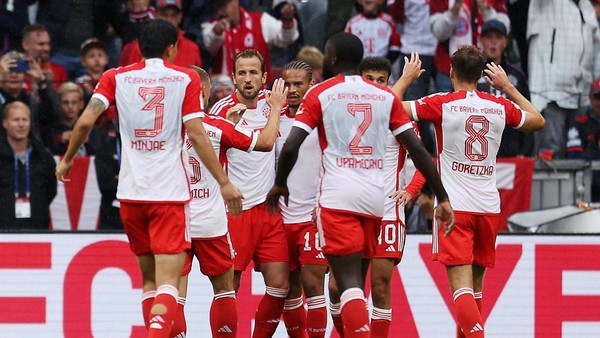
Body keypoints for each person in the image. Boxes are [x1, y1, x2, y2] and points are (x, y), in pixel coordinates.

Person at [55, 19, 243, 338]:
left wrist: (69, 158)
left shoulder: (115, 77)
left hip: (130, 194)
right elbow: (196, 134)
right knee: (169, 284)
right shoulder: (185, 78)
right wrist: (224, 182)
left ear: (139, 48)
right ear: (172, 49)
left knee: (150, 282)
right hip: (168, 195)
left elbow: (86, 121)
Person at [266, 32, 454, 338]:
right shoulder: (386, 97)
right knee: (355, 283)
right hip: (375, 200)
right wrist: (442, 196)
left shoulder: (322, 93)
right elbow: (419, 151)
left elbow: (290, 146)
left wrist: (278, 184)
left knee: (348, 286)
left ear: (333, 59)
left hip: (338, 197)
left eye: (327, 55)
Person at [392, 45, 545, 337]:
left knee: (461, 290)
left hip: (454, 206)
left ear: (450, 72)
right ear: (481, 75)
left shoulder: (441, 103)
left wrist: (406, 79)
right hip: (488, 206)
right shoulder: (499, 105)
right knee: (475, 291)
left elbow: (392, 107)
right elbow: (537, 120)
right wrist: (507, 87)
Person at [173, 66, 285, 337]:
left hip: (177, 221)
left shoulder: (166, 129)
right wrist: (277, 109)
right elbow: (267, 141)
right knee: (224, 290)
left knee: (174, 293)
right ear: (203, 91)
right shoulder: (215, 125)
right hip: (211, 220)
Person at [336, 55, 427, 338]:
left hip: (388, 212)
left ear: (388, 83)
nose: (376, 86)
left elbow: (425, 162)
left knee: (380, 285)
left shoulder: (399, 118)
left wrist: (411, 191)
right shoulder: (347, 114)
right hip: (352, 210)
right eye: (370, 80)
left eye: (381, 81)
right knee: (341, 289)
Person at [208, 49, 290, 338]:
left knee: (280, 285)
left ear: (265, 77)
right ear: (233, 77)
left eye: (253, 72)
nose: (247, 78)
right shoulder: (220, 111)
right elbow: (204, 154)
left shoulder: (274, 104)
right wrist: (229, 127)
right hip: (235, 213)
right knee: (229, 288)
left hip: (269, 212)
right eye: (242, 73)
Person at [277, 60, 328, 338]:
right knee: (287, 288)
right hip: (280, 218)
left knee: (313, 285)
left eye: (299, 84)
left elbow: (333, 163)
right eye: (288, 84)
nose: (293, 90)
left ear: (311, 85)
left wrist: (324, 203)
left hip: (312, 215)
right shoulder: (273, 117)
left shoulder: (322, 120)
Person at [527, 0, 600, 159]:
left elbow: (596, 49)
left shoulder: (586, 6)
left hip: (582, 97)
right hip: (550, 95)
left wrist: (595, 83)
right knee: (551, 155)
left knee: (582, 156)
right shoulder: (547, 4)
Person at [202, 0, 299, 83]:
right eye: (216, 8)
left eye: (223, 6)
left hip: (260, 93)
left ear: (235, 2)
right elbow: (210, 45)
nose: (220, 12)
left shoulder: (261, 21)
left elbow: (285, 39)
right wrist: (218, 30)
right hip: (227, 94)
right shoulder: (212, 27)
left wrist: (287, 20)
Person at [477, 19, 533, 158]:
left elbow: (527, 111)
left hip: (511, 149)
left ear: (505, 42)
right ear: (482, 41)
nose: (493, 42)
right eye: (489, 37)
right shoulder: (472, 72)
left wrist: (524, 151)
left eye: (498, 37)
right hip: (479, 149)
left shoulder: (517, 76)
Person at [429, 0, 509, 93]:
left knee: (483, 106)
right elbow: (439, 33)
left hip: (484, 68)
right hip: (449, 68)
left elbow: (504, 29)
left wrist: (485, 9)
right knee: (446, 106)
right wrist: (454, 11)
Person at [0, 101, 57, 230]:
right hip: (3, 229)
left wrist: (38, 204)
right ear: (5, 123)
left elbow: (51, 190)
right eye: (15, 120)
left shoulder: (43, 156)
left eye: (24, 119)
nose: (21, 124)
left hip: (37, 227)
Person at [119, 0, 202, 68]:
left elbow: (199, 82)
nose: (169, 20)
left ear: (180, 17)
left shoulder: (192, 48)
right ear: (156, 14)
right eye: (165, 15)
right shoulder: (139, 47)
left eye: (174, 15)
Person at [0, 50, 61, 141]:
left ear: (25, 75)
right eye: (9, 70)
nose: (14, 75)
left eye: (18, 71)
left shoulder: (31, 100)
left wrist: (42, 80)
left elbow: (54, 115)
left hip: (31, 151)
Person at [566, 78, 600, 202]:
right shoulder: (579, 123)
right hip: (588, 189)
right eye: (598, 97)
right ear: (590, 98)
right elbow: (574, 157)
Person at [46, 82, 101, 156]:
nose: (70, 106)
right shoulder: (51, 130)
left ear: (81, 104)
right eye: (65, 102)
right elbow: (47, 157)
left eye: (74, 102)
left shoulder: (91, 129)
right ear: (59, 104)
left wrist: (87, 142)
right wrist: (59, 140)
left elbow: (100, 156)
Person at [20, 24, 68, 90]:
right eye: (41, 44)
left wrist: (49, 85)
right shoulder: (14, 71)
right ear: (25, 45)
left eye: (48, 44)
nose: (47, 48)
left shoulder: (59, 71)